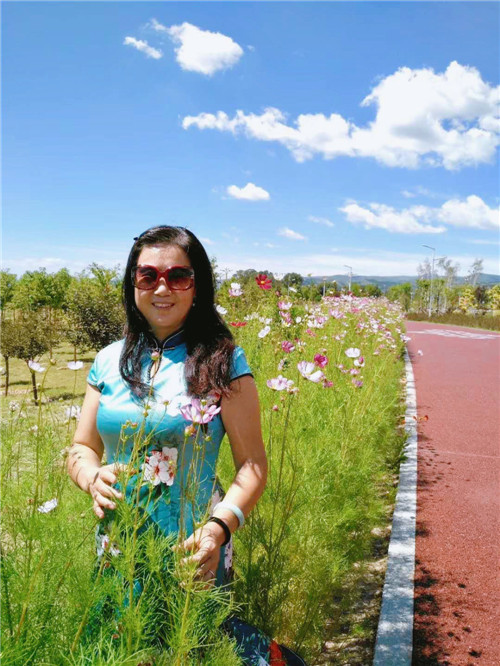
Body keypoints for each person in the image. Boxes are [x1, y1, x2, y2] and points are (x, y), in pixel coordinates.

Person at [67, 226, 306, 665]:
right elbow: (82, 446)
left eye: (179, 276)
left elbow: (252, 464)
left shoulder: (223, 360)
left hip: (195, 545)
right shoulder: (108, 360)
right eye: (147, 276)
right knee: (124, 648)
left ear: (198, 286)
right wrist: (89, 476)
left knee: (192, 647)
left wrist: (218, 530)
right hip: (119, 543)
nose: (162, 287)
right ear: (132, 283)